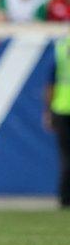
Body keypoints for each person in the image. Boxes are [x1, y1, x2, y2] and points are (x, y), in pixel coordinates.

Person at [44, 33, 70, 209]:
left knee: (66, 156)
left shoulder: (61, 47)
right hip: (62, 108)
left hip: (61, 107)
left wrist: (48, 111)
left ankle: (65, 197)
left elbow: (51, 82)